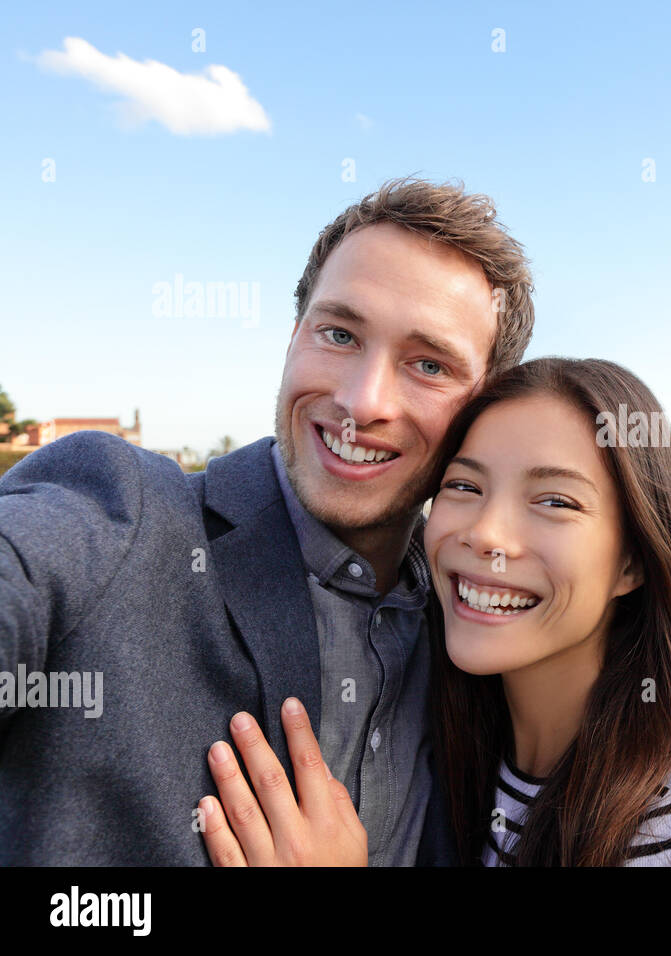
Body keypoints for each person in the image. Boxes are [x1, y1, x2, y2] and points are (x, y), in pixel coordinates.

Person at [0, 178, 535, 865]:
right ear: (293, 340)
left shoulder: (465, 630)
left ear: (484, 411)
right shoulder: (120, 516)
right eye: (339, 333)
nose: (361, 401)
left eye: (428, 364)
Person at [198, 358, 671, 866]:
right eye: (464, 487)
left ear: (631, 564)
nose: (488, 534)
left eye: (555, 501)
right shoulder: (446, 761)